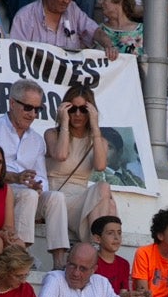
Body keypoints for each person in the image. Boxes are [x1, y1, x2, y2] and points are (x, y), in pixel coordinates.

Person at [0, 81, 70, 269]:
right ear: (12, 104)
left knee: (56, 197)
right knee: (28, 194)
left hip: (26, 194)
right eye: (28, 108)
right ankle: (20, 254)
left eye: (37, 109)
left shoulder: (36, 140)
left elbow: (41, 176)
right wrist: (16, 178)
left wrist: (37, 185)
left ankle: (59, 261)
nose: (32, 114)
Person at [41, 87, 117, 250]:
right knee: (106, 203)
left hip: (80, 200)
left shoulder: (99, 142)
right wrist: (64, 123)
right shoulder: (52, 134)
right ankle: (96, 249)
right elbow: (61, 155)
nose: (77, 114)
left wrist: (95, 128)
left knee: (104, 190)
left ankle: (96, 246)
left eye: (83, 110)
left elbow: (100, 166)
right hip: (57, 198)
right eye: (72, 109)